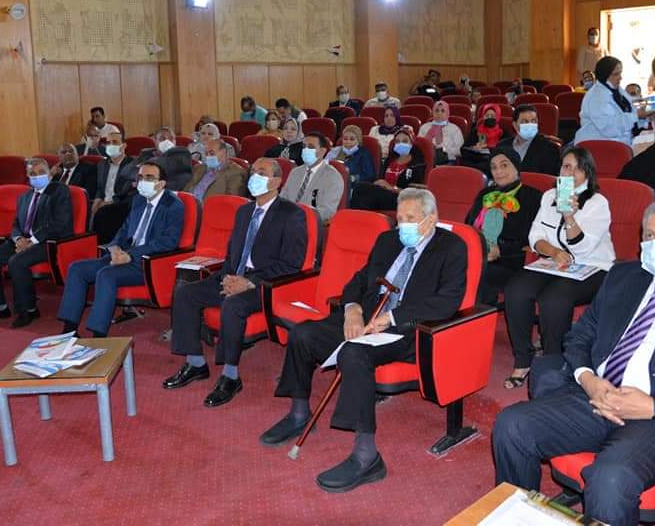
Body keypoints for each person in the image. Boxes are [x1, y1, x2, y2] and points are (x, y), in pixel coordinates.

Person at [492, 201, 655, 526]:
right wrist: (589, 380)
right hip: (596, 396)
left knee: (610, 479)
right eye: (650, 235)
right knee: (511, 425)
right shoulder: (623, 276)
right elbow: (580, 336)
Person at [260, 188, 467, 492]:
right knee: (303, 334)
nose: (403, 225)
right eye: (400, 218)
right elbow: (359, 280)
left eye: (410, 218)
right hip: (367, 317)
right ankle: (299, 413)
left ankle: (367, 456)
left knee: (353, 354)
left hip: (408, 329)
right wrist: (352, 310)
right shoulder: (387, 241)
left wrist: (392, 318)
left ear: (431, 218)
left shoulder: (452, 248)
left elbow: (447, 301)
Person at [164, 158, 306, 407]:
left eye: (261, 172)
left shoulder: (291, 214)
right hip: (233, 276)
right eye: (253, 171)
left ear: (276, 181)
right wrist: (229, 278)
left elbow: (291, 264)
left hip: (265, 285)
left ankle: (231, 376)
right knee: (185, 293)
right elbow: (233, 252)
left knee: (233, 305)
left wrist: (249, 282)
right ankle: (195, 362)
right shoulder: (244, 211)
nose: (254, 176)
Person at [502, 147, 614, 388]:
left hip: (593, 266)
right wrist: (554, 252)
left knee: (554, 298)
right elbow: (535, 236)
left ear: (587, 173)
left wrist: (569, 217)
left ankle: (552, 366)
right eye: (566, 167)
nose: (570, 173)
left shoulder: (597, 203)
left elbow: (584, 249)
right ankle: (523, 359)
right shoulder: (549, 196)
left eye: (578, 168)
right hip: (554, 262)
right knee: (516, 289)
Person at [58, 161, 184, 337]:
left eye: (149, 178)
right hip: (124, 255)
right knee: (77, 268)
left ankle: (98, 336)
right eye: (140, 177)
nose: (143, 181)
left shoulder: (173, 205)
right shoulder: (139, 199)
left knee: (106, 274)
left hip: (147, 263)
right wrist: (114, 247)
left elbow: (168, 242)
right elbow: (125, 229)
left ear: (161, 183)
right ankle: (69, 330)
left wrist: (131, 255)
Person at [0, 158, 73, 328]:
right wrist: (18, 238)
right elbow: (16, 224)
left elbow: (59, 223)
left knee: (16, 262)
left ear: (49, 174)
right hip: (24, 241)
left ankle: (28, 310)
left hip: (49, 242)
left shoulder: (59, 191)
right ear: (27, 176)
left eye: (41, 172)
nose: (37, 176)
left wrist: (32, 241)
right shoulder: (24, 197)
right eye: (32, 173)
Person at [466, 147, 542, 306]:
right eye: (494, 167)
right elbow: (468, 226)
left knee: (479, 273)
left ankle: (477, 318)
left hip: (509, 261)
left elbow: (531, 239)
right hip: (477, 253)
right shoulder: (484, 195)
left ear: (516, 168)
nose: (498, 171)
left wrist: (500, 251)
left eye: (504, 165)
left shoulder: (533, 197)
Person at [575, 56, 646, 146]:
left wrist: (644, 110)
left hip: (619, 142)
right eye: (616, 74)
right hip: (599, 146)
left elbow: (628, 107)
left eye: (620, 73)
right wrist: (636, 116)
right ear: (605, 75)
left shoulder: (615, 89)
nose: (620, 77)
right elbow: (609, 128)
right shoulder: (597, 96)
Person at [350, 128, 426, 211]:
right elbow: (381, 179)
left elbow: (415, 192)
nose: (401, 144)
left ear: (411, 143)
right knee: (360, 189)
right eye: (397, 141)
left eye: (405, 141)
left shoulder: (416, 164)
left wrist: (392, 188)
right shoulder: (390, 160)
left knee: (361, 189)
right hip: (384, 194)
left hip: (402, 198)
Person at [280, 133, 344, 223]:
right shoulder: (295, 172)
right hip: (286, 221)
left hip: (310, 223)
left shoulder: (333, 177)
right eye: (304, 146)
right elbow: (282, 199)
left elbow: (327, 211)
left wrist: (300, 216)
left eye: (311, 147)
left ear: (322, 151)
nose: (306, 150)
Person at [91, 131, 137, 243]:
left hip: (121, 205)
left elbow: (130, 193)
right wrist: (97, 199)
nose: (111, 145)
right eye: (108, 143)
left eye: (115, 142)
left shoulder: (133, 165)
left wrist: (110, 203)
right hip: (103, 204)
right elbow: (100, 188)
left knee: (103, 214)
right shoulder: (102, 164)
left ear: (123, 146)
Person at [499, 105, 560, 175]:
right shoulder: (502, 146)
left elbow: (552, 178)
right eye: (525, 121)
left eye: (533, 121)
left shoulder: (550, 148)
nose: (530, 125)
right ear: (515, 125)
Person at [184, 139, 248, 202]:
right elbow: (185, 190)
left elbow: (231, 202)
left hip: (209, 207)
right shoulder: (199, 167)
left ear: (223, 152)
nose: (208, 156)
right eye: (206, 153)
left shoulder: (236, 172)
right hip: (187, 204)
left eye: (212, 153)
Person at [136, 126, 192, 191]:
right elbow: (129, 171)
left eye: (171, 139)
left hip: (167, 190)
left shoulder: (182, 152)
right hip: (141, 190)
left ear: (175, 141)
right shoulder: (146, 152)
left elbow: (168, 165)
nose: (167, 141)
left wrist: (143, 166)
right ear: (155, 140)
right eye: (162, 138)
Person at [326, 125, 376, 190]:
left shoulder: (364, 153)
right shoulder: (335, 151)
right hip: (333, 184)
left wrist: (353, 178)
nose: (348, 141)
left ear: (358, 140)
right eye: (345, 139)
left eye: (352, 139)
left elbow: (369, 175)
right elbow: (325, 167)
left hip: (354, 186)